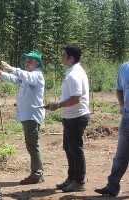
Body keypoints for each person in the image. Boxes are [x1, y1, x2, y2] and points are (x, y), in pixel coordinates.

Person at [0, 51, 45, 185]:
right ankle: (38, 173)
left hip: (31, 115)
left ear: (37, 63)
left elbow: (24, 75)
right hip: (28, 115)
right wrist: (0, 73)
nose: (27, 63)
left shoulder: (36, 75)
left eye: (29, 61)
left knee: (32, 145)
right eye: (26, 61)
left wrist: (12, 69)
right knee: (31, 145)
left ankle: (36, 174)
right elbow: (15, 79)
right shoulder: (28, 76)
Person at [47, 45, 90, 192]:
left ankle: (79, 182)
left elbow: (76, 98)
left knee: (75, 149)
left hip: (76, 117)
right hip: (71, 116)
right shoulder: (71, 71)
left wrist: (57, 105)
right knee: (68, 147)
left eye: (63, 55)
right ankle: (71, 178)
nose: (61, 57)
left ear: (71, 57)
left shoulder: (74, 74)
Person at [95, 61, 129, 197]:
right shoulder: (125, 67)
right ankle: (112, 186)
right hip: (127, 118)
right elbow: (119, 89)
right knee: (120, 155)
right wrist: (122, 106)